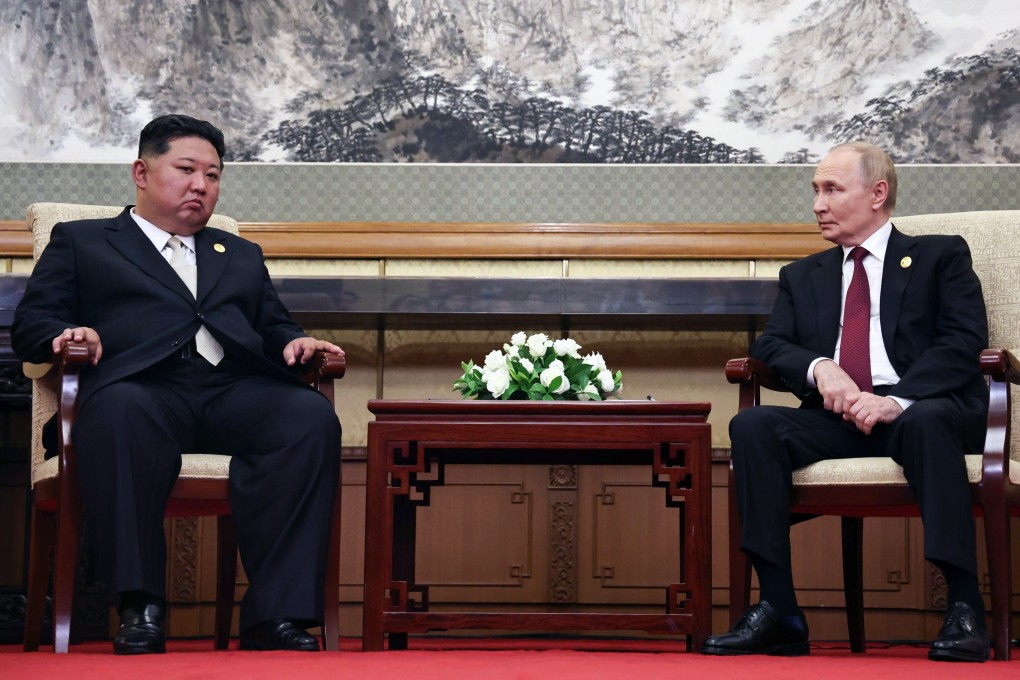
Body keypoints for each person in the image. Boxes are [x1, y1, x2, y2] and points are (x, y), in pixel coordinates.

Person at [12, 114, 344, 654]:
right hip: (139, 387)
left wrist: (295, 344)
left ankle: (276, 616)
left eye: (213, 176)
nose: (201, 185)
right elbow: (31, 326)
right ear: (142, 172)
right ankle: (141, 606)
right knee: (120, 410)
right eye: (187, 169)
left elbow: (273, 325)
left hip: (230, 390)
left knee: (307, 418)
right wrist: (66, 335)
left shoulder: (237, 253)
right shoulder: (83, 241)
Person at [703, 142, 990, 662]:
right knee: (753, 428)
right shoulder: (803, 275)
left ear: (877, 193)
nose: (817, 203)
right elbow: (770, 345)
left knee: (928, 420)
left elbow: (962, 342)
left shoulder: (939, 256)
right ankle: (780, 610)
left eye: (831, 189)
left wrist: (896, 399)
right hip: (836, 419)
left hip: (916, 413)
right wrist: (820, 367)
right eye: (815, 190)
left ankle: (965, 607)